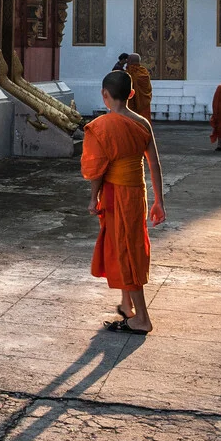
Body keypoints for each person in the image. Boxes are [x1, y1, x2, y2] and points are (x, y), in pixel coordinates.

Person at [81, 70, 166, 335]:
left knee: (127, 249)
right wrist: (158, 201)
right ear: (131, 94)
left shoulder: (101, 126)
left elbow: (96, 169)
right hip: (136, 191)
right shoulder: (142, 123)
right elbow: (154, 164)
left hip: (114, 192)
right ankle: (127, 305)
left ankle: (142, 318)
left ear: (105, 95)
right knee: (126, 243)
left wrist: (93, 197)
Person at [125, 53, 153, 120]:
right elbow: (148, 89)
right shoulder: (144, 72)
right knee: (143, 122)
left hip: (131, 103)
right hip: (144, 103)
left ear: (130, 61)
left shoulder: (129, 72)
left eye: (128, 61)